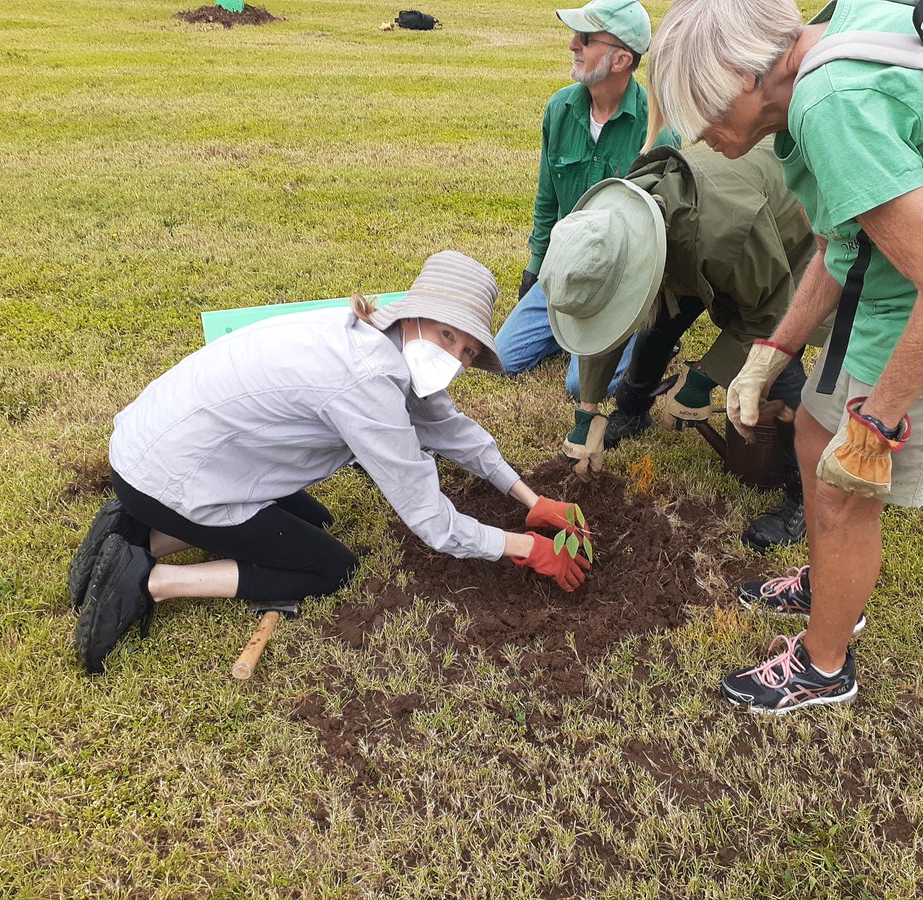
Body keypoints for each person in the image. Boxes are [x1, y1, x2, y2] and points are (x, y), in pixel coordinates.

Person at [647, 0, 923, 713]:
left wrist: (876, 428)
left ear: (741, 75)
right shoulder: (837, 29)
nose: (696, 133)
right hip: (879, 284)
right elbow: (839, 240)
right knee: (811, 432)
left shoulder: (832, 103)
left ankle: (824, 666)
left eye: (699, 108)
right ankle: (828, 590)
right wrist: (774, 348)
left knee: (843, 493)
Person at [68, 251, 591, 674]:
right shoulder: (365, 384)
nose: (455, 357)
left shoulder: (376, 341)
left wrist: (530, 498)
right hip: (169, 474)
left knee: (313, 521)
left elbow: (450, 428)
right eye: (447, 335)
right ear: (414, 315)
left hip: (154, 446)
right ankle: (147, 578)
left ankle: (140, 529)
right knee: (328, 569)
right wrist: (526, 550)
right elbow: (432, 521)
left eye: (469, 352)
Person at [541, 142, 817, 551]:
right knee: (659, 317)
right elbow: (607, 320)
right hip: (697, 241)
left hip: (787, 231)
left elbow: (769, 319)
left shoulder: (724, 238)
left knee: (777, 366)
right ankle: (632, 413)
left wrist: (703, 379)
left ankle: (805, 500)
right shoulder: (616, 226)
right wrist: (588, 412)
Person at [495, 0, 678, 399]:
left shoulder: (659, 131)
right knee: (500, 359)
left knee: (580, 387)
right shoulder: (559, 109)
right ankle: (583, 334)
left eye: (586, 38)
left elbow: (670, 234)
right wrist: (535, 269)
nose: (572, 44)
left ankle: (650, 340)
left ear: (621, 59)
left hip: (622, 283)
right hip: (566, 266)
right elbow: (547, 200)